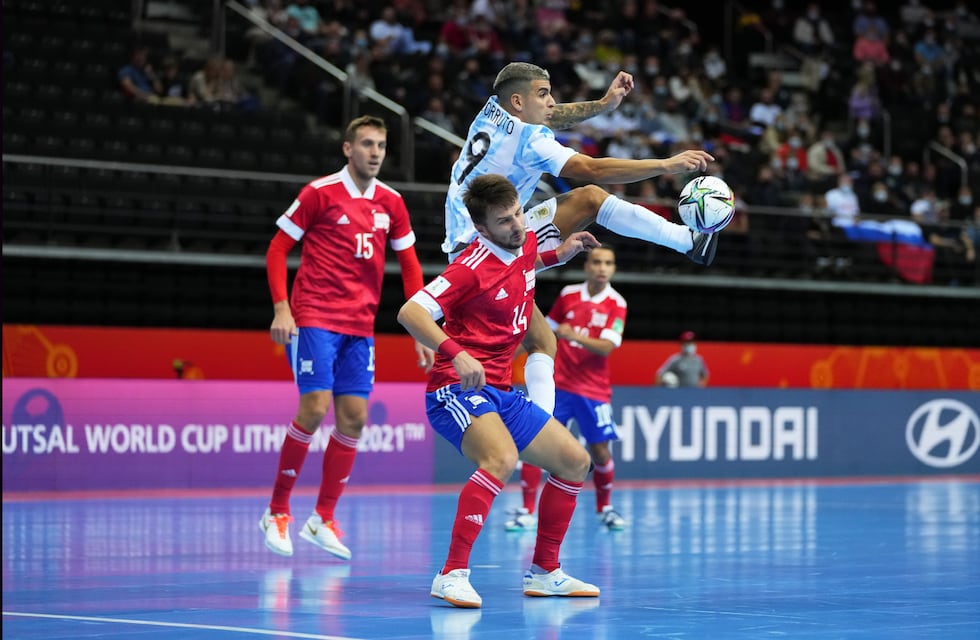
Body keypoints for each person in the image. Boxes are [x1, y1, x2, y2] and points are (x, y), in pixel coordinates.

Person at [444, 61, 716, 434]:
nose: (552, 101)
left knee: (541, 342)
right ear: (519, 101)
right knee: (590, 197)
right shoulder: (529, 141)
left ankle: (535, 427)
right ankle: (687, 241)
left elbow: (553, 115)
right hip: (488, 252)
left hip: (471, 248)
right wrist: (668, 164)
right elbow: (594, 169)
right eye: (544, 94)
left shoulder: (494, 110)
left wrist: (604, 104)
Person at [398, 174, 602, 609]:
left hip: (501, 392)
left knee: (575, 461)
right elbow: (410, 312)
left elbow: (524, 263)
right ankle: (451, 574)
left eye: (518, 215)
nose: (517, 226)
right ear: (482, 228)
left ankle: (545, 572)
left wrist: (559, 253)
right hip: (456, 388)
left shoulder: (523, 243)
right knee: (502, 459)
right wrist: (456, 353)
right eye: (504, 221)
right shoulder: (467, 268)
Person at [259, 115, 434, 560]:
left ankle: (323, 518)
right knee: (315, 407)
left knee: (354, 419)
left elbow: (410, 266)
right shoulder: (319, 193)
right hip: (315, 316)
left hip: (361, 325)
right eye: (368, 144)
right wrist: (282, 307)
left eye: (382, 146)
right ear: (347, 148)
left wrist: (421, 326)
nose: (376, 153)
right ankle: (277, 511)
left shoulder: (392, 202)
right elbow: (277, 249)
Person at [507, 246, 628, 533]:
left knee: (600, 452)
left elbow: (607, 346)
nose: (602, 267)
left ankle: (605, 508)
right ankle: (526, 511)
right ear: (587, 266)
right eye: (596, 262)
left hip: (593, 390)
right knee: (535, 442)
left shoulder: (617, 303)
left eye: (608, 263)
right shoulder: (569, 294)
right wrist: (508, 356)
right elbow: (541, 333)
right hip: (558, 387)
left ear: (613, 269)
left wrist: (573, 335)